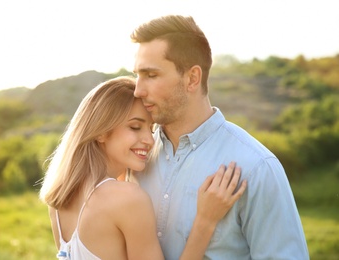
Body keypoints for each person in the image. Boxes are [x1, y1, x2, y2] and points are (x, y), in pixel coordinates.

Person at [130, 14, 309, 259]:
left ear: (192, 78)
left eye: (151, 75)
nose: (138, 90)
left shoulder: (256, 167)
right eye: (137, 75)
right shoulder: (135, 158)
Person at [39, 76, 247, 260]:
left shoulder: (58, 200)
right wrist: (205, 222)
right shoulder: (127, 199)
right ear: (100, 132)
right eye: (135, 127)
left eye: (151, 128)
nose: (149, 140)